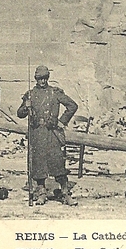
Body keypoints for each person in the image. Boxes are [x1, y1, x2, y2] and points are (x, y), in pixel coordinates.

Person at [17, 65, 78, 206]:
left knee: (58, 164)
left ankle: (65, 193)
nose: (42, 81)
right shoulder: (30, 94)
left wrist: (62, 121)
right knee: (39, 165)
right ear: (35, 79)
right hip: (37, 134)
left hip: (52, 133)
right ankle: (41, 193)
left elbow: (72, 106)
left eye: (45, 78)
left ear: (48, 78)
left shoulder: (54, 92)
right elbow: (19, 114)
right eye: (39, 79)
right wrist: (26, 106)